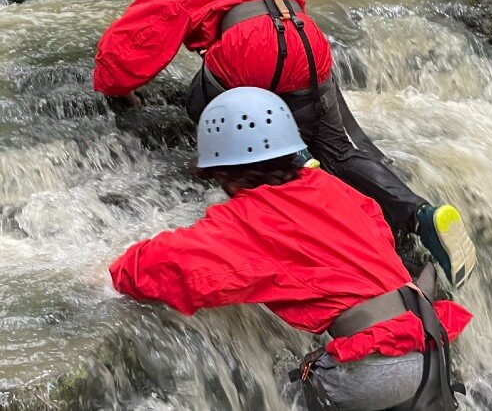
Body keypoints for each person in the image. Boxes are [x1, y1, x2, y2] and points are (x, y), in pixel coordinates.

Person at [93, 0, 476, 288]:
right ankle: (423, 215)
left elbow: (127, 45)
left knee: (199, 99)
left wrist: (114, 86)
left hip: (251, 46)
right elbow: (294, 1)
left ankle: (296, 167)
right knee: (341, 149)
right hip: (307, 38)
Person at [109, 87, 472, 410]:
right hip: (430, 345)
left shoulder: (247, 221)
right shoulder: (330, 187)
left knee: (275, 390)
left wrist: (113, 273)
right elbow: (379, 230)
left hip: (374, 371)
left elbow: (168, 265)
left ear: (225, 174)